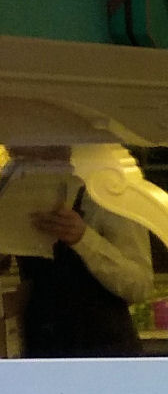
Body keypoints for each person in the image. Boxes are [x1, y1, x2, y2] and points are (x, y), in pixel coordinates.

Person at [0, 147, 154, 357]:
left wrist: (83, 238)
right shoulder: (14, 183)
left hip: (104, 349)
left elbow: (139, 285)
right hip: (39, 345)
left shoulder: (110, 188)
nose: (12, 150)